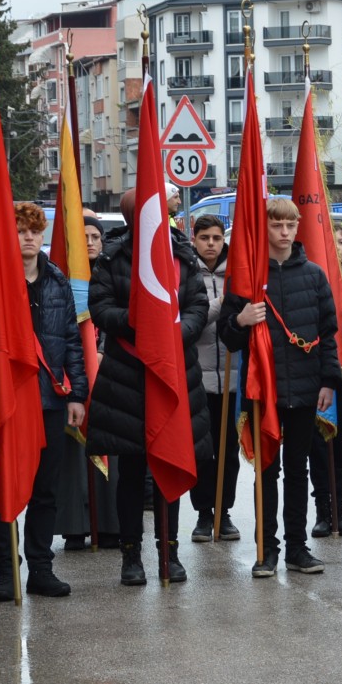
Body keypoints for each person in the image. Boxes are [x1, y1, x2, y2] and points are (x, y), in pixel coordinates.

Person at [88, 189, 211, 586]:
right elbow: (100, 307)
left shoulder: (182, 254)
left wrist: (174, 334)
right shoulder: (112, 256)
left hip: (174, 372)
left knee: (169, 463)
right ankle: (131, 557)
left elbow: (197, 306)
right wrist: (140, 322)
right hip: (127, 376)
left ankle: (169, 553)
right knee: (132, 471)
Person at [220, 197, 339, 577]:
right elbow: (228, 338)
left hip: (305, 389)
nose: (285, 233)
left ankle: (297, 548)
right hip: (263, 392)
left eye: (291, 225)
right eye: (277, 226)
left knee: (298, 469)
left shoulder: (315, 276)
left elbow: (328, 335)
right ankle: (266, 550)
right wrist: (240, 319)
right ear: (265, 228)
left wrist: (328, 382)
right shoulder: (247, 279)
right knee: (266, 471)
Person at [0, 204, 87, 602]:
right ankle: (7, 570)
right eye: (20, 230)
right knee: (6, 486)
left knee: (46, 489)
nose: (27, 238)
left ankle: (41, 568)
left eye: (34, 231)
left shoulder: (57, 280)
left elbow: (72, 341)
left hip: (50, 400)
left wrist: (77, 393)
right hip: (9, 402)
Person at [56, 213, 120, 550]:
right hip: (71, 376)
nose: (90, 242)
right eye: (84, 237)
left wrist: (105, 356)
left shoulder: (113, 274)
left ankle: (109, 524)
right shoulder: (60, 279)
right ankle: (75, 526)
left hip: (110, 373)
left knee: (111, 448)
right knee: (72, 453)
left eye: (95, 236)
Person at [188, 215, 242, 543]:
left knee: (229, 451)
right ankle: (203, 514)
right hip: (199, 379)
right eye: (205, 237)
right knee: (202, 451)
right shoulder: (186, 273)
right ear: (194, 239)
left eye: (217, 238)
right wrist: (219, 305)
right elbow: (188, 321)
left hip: (233, 378)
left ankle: (225, 512)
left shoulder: (238, 273)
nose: (211, 243)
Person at [309, 221, 342, 538]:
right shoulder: (314, 277)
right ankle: (323, 509)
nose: (338, 247)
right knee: (318, 442)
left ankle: (341, 508)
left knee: (341, 445)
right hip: (319, 369)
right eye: (333, 242)